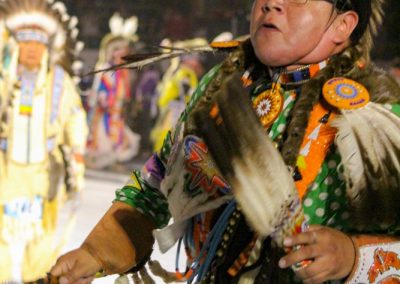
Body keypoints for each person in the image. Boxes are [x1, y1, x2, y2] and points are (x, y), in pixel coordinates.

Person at [51, 0, 400, 283]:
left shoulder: (379, 112)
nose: (272, 4)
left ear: (342, 25)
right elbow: (158, 182)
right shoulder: (226, 82)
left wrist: (352, 256)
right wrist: (96, 252)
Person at [0, 0, 88, 282]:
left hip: (42, 174)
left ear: (47, 49)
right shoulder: (3, 78)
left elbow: (74, 116)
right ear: (16, 47)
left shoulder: (59, 81)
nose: (32, 51)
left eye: (37, 46)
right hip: (6, 173)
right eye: (26, 45)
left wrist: (76, 152)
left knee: (42, 235)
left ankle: (35, 277)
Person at [86, 13, 140, 169]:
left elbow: (124, 92)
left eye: (124, 50)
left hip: (117, 111)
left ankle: (113, 160)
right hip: (105, 111)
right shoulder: (105, 68)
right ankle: (99, 160)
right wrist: (103, 100)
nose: (122, 54)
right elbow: (100, 88)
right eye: (118, 50)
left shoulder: (123, 72)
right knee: (104, 136)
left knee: (117, 136)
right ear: (112, 51)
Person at [151, 38, 207, 152]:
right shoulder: (185, 72)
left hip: (176, 108)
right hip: (177, 109)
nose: (198, 62)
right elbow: (185, 92)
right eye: (196, 59)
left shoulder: (183, 71)